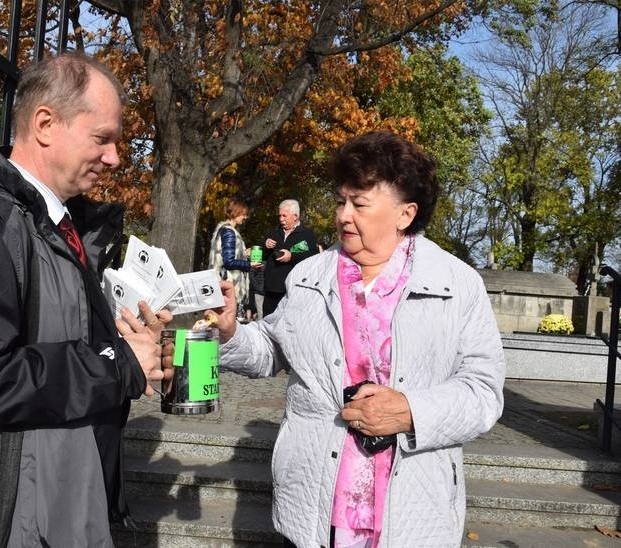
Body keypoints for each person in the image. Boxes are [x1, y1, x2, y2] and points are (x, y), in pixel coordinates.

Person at [0, 53, 171, 547]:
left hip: (54, 511)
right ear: (45, 124)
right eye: (102, 138)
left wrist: (127, 346)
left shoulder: (57, 226)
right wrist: (113, 365)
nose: (114, 157)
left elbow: (54, 345)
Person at [208, 131, 505, 547]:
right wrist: (231, 331)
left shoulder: (456, 284)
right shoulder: (309, 276)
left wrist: (411, 411)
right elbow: (272, 348)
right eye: (340, 201)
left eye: (360, 204)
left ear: (405, 213)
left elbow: (483, 392)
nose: (343, 216)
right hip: (317, 499)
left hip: (411, 507)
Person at [261, 199, 318, 316]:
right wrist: (265, 245)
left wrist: (292, 256)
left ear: (295, 216)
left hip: (292, 291)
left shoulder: (307, 234)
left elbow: (314, 257)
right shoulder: (274, 232)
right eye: (280, 215)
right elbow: (262, 256)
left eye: (284, 216)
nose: (281, 219)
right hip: (271, 290)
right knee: (267, 325)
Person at [208, 198, 255, 320]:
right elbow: (229, 262)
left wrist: (244, 254)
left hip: (223, 284)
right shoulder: (229, 232)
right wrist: (250, 265)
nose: (245, 217)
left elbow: (225, 256)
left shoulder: (224, 230)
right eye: (243, 213)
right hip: (230, 286)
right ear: (235, 212)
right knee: (231, 326)